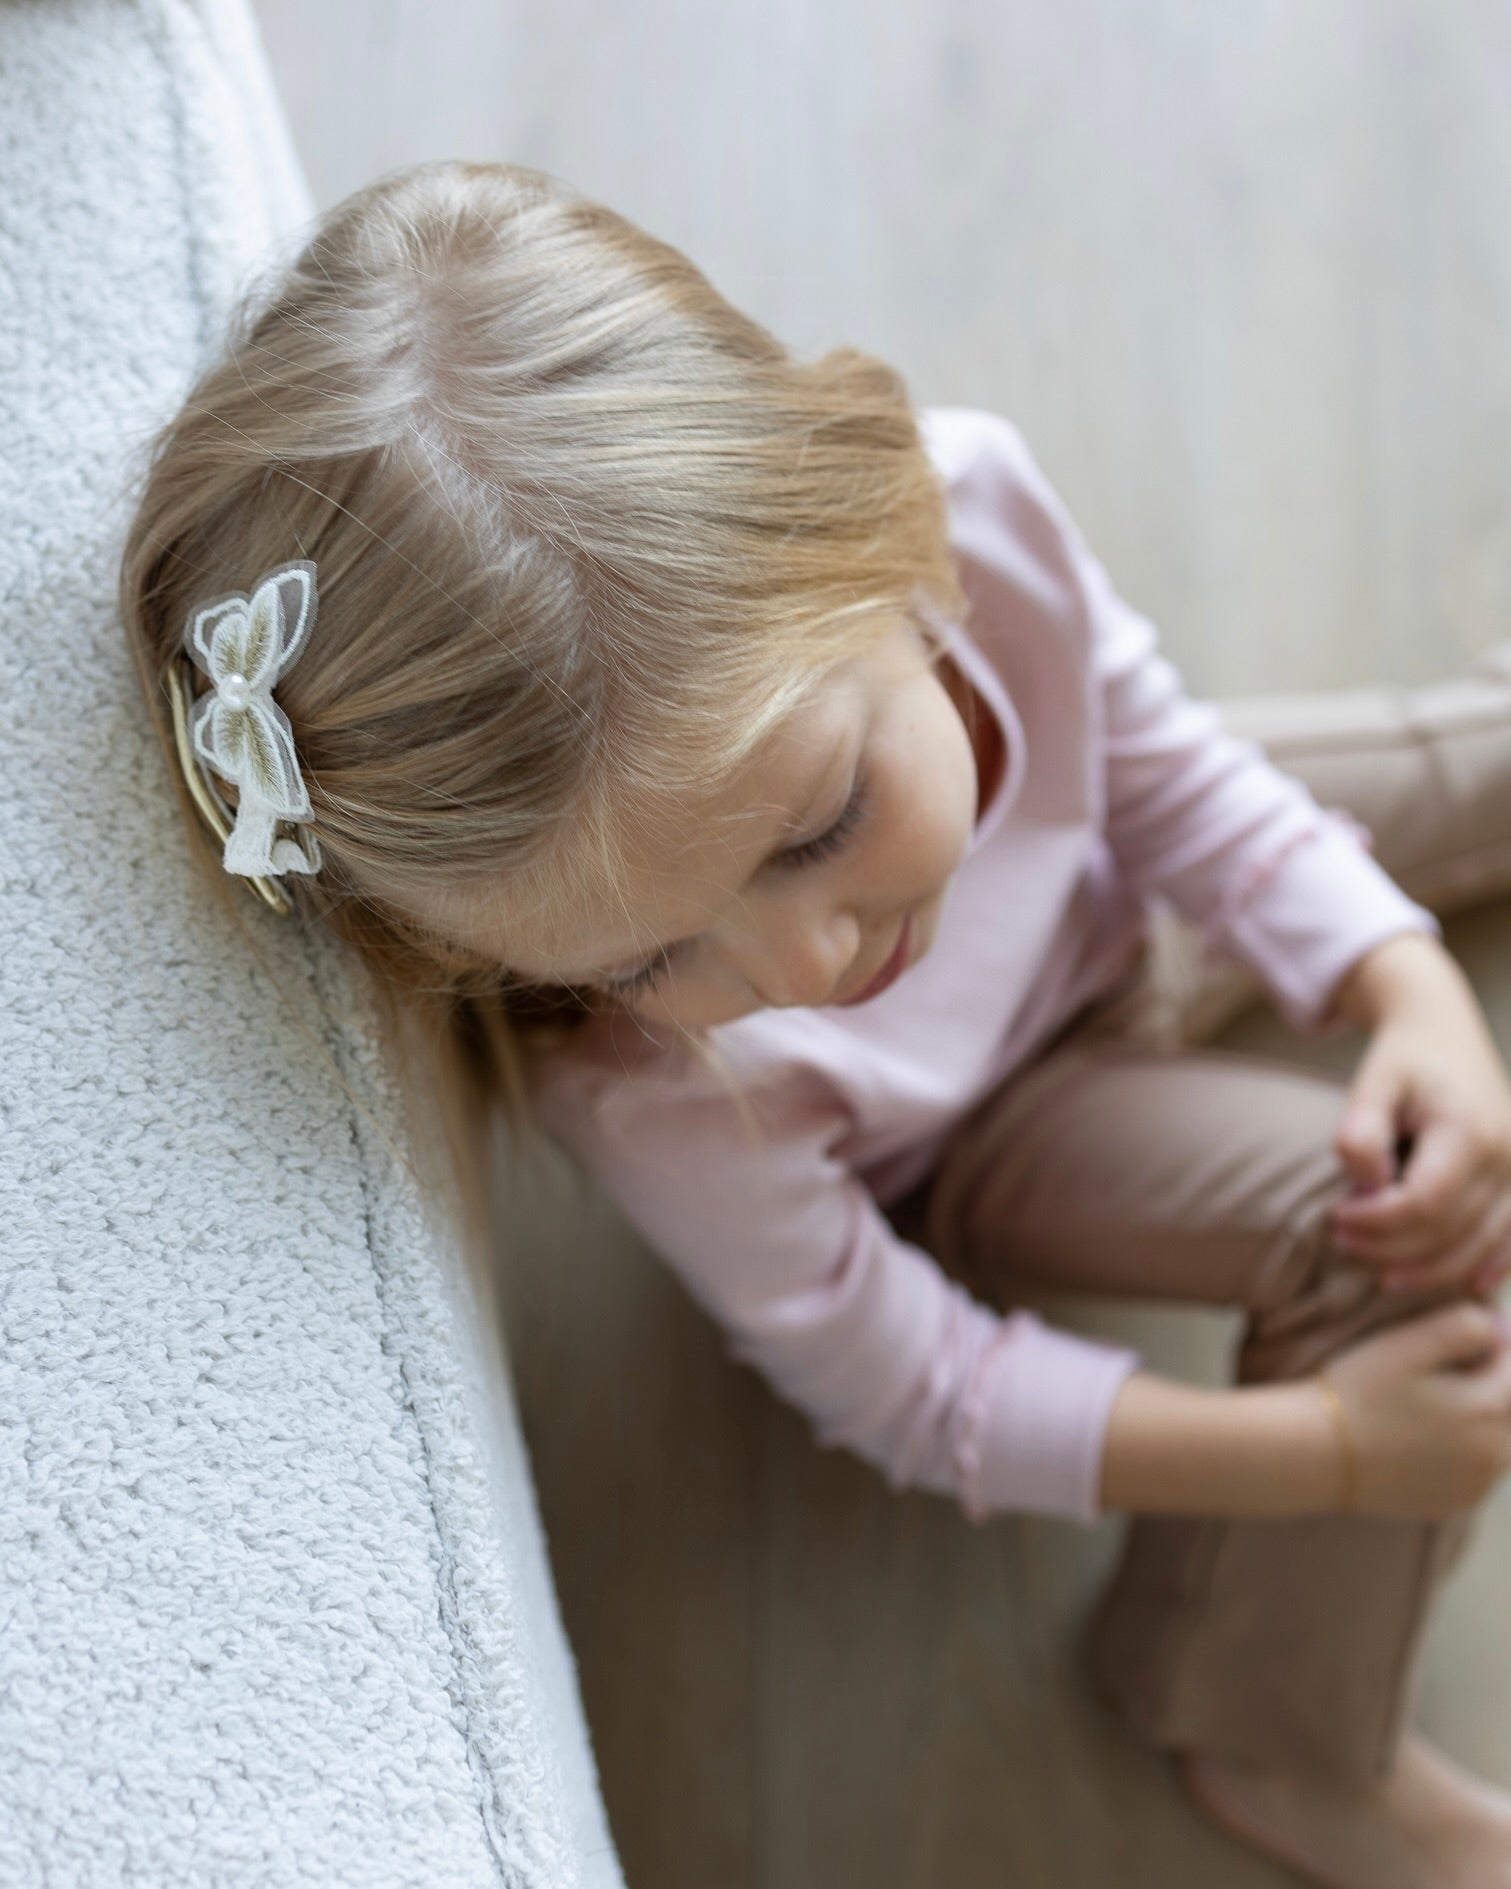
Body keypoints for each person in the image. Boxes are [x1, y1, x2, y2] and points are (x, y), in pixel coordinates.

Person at [120, 157, 1511, 1887]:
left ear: (890, 531)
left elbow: (1170, 774)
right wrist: (1323, 1455)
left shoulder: (981, 505)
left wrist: (1405, 982)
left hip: (1089, 888)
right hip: (1000, 1121)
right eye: (640, 960)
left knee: (1373, 780)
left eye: (817, 825)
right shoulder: (661, 1091)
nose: (801, 969)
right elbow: (921, 1384)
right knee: (1401, 1230)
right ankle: (1268, 1722)